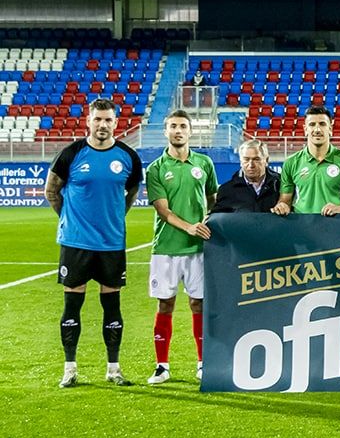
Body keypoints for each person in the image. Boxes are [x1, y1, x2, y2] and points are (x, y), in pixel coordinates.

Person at [44, 98, 143, 388]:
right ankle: (70, 368)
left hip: (111, 243)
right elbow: (51, 191)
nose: (102, 125)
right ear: (88, 121)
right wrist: (70, 220)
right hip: (76, 243)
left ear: (116, 123)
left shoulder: (128, 157)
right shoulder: (71, 154)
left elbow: (132, 190)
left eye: (108, 120)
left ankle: (114, 369)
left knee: (112, 306)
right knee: (72, 305)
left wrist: (115, 217)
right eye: (97, 119)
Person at [144, 110, 218, 384]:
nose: (178, 130)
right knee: (165, 303)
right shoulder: (155, 168)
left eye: (183, 126)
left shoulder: (204, 163)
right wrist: (189, 227)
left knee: (199, 303)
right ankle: (162, 366)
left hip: (198, 248)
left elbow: (213, 198)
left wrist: (209, 220)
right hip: (166, 247)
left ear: (190, 131)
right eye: (173, 126)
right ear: (166, 131)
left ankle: (203, 363)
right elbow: (163, 210)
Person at [272, 105, 340, 216]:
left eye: (322, 124)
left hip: (336, 224)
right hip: (302, 224)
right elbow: (285, 200)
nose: (317, 129)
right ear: (305, 129)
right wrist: (282, 206)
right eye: (312, 124)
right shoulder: (291, 163)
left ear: (330, 129)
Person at [211, 139, 280, 213]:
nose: (251, 165)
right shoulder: (226, 190)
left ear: (266, 160)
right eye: (246, 159)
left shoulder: (281, 185)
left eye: (256, 159)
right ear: (241, 162)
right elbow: (217, 217)